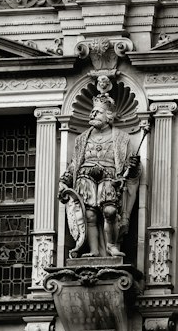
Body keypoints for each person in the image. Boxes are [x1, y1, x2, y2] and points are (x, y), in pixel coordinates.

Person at [59, 84, 142, 258]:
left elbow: (130, 170)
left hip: (109, 177)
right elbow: (75, 163)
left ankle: (112, 245)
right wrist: (64, 180)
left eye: (97, 112)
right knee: (89, 214)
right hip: (85, 177)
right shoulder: (82, 138)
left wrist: (133, 165)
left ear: (109, 116)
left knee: (110, 212)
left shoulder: (121, 137)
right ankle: (94, 250)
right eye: (92, 111)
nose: (92, 114)